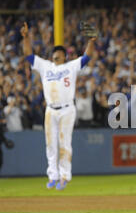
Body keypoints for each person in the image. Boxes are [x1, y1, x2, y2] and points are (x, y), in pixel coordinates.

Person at [20, 22, 96, 190]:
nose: (56, 54)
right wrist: (25, 37)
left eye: (59, 52)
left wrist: (91, 40)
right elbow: (28, 54)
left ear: (64, 56)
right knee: (50, 144)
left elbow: (87, 56)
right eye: (55, 52)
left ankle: (64, 176)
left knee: (64, 143)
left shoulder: (71, 66)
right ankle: (52, 176)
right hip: (51, 110)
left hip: (67, 109)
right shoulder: (45, 66)